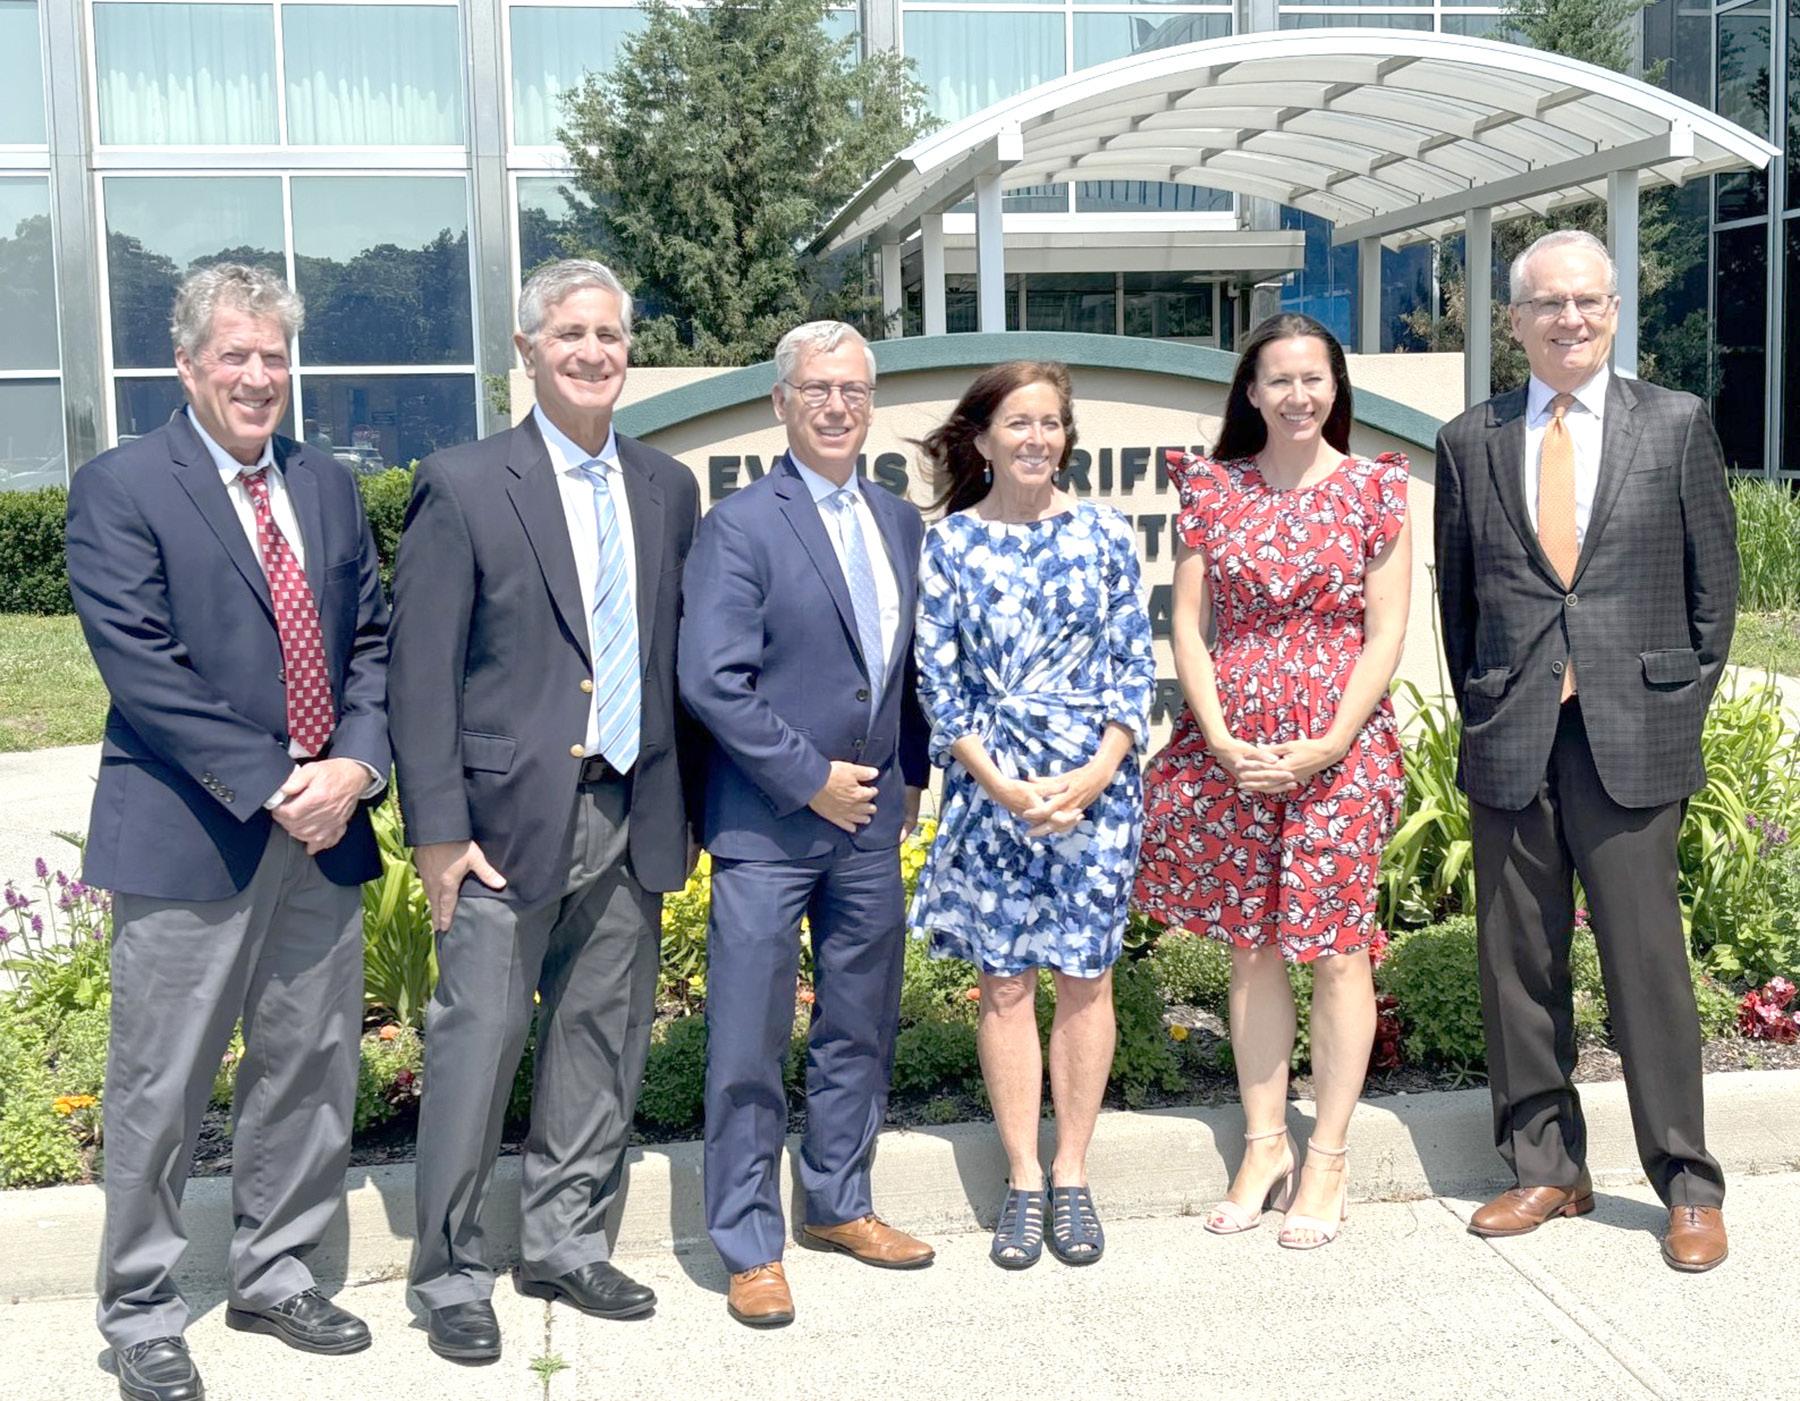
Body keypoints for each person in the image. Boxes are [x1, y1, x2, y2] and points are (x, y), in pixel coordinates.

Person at [66, 264, 390, 1401]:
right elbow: (142, 666)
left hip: (325, 831)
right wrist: (276, 780)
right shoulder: (120, 487)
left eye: (274, 356)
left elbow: (372, 642)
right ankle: (142, 1308)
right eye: (236, 355)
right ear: (188, 365)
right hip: (191, 831)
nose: (259, 377)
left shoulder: (327, 486)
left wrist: (354, 766)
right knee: (161, 1085)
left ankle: (277, 1272)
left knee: (308, 1067)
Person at [388, 258, 702, 1361]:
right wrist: (437, 831)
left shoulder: (666, 488)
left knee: (599, 1040)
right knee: (476, 1046)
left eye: (609, 334)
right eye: (569, 334)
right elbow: (419, 674)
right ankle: (450, 1272)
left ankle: (565, 1243)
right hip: (497, 828)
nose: (592, 352)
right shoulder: (464, 483)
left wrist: (686, 810)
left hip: (631, 806)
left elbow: (672, 660)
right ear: (527, 351)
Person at [1434, 229, 1737, 1272]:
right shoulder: (1469, 441)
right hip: (1513, 733)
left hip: (1633, 736)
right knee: (1516, 965)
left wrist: (1673, 710)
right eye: (1547, 304)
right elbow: (1459, 604)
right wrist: (1490, 706)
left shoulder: (1676, 424)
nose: (1569, 319)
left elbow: (1714, 595)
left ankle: (1687, 1184)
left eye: (1587, 301)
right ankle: (1546, 1167)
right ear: (1514, 321)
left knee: (1647, 966)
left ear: (1613, 311)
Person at [1134, 313, 1411, 1251]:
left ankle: (1326, 1156)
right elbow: (1188, 623)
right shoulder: (1214, 490)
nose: (1298, 395)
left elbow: (1384, 633)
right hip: (1236, 747)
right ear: (1251, 392)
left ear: (1336, 387)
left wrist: (1331, 740)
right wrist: (1217, 737)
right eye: (1279, 379)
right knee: (1251, 946)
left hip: (1342, 745)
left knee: (1337, 950)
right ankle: (1263, 1145)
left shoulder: (1375, 489)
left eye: (1314, 378)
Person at [679, 320, 933, 1329]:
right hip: (768, 824)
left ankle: (837, 1200)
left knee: (859, 1023)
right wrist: (808, 779)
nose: (837, 406)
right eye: (818, 389)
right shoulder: (740, 526)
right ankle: (749, 1245)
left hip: (869, 826)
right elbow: (713, 680)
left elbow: (903, 669)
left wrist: (908, 775)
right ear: (781, 402)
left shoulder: (898, 519)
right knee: (748, 1038)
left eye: (854, 390)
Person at [907, 362, 1154, 1270]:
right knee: (1005, 983)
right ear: (982, 438)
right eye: (1018, 422)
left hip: (1096, 790)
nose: (1037, 438)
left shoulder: (1105, 533)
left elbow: (1134, 665)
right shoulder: (950, 546)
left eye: (1051, 422)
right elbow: (939, 683)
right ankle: (1021, 1177)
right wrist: (1003, 785)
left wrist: (1097, 772)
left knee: (1086, 978)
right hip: (991, 790)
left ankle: (1072, 1172)